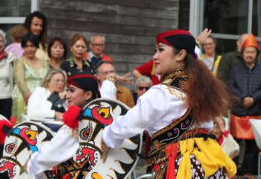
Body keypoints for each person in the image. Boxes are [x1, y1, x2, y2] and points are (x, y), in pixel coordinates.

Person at [101, 29, 237, 179]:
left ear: (180, 55)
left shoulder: (161, 93)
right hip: (209, 165)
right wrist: (194, 43)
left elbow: (127, 124)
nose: (155, 56)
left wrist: (106, 139)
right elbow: (191, 57)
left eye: (160, 50)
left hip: (183, 169)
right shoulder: (199, 87)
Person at [227, 34, 261, 177]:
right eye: (247, 52)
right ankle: (233, 171)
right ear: (242, 53)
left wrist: (253, 98)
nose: (249, 55)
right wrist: (242, 98)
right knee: (234, 145)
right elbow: (230, 86)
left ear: (256, 54)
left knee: (251, 148)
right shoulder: (235, 70)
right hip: (238, 112)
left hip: (255, 112)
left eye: (252, 52)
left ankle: (247, 172)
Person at [12, 33, 49, 122]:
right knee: (23, 127)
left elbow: (48, 81)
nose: (29, 49)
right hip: (24, 97)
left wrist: (41, 97)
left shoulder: (45, 63)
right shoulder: (19, 61)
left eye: (32, 46)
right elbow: (20, 81)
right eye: (26, 46)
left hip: (41, 98)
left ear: (36, 47)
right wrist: (29, 96)